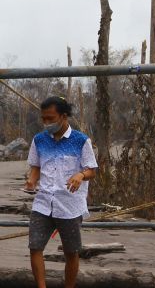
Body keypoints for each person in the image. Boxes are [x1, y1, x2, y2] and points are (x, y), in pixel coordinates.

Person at [25, 96, 98, 288]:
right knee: (35, 247)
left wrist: (80, 175)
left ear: (64, 116)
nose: (46, 123)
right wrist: (32, 180)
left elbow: (92, 170)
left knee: (71, 252)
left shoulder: (81, 140)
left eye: (51, 118)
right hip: (43, 202)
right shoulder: (39, 140)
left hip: (69, 206)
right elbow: (36, 166)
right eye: (44, 119)